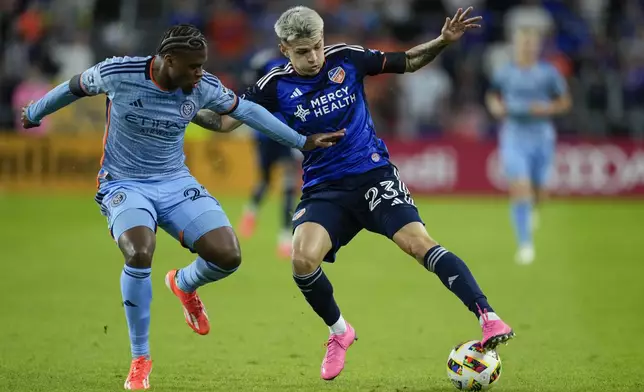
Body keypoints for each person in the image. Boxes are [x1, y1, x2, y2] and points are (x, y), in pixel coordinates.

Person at [21, 24, 343, 390]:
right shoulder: (119, 72)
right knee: (140, 252)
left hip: (175, 182)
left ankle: (184, 284)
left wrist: (302, 141)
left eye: (202, 66)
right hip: (124, 183)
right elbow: (73, 87)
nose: (200, 73)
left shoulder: (202, 86)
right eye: (193, 67)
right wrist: (35, 111)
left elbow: (250, 112)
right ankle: (140, 359)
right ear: (168, 61)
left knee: (228, 255)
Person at [210, 6, 515, 381]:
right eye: (303, 51)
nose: (314, 57)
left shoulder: (348, 59)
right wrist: (185, 105)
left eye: (318, 46)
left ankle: (488, 317)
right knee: (302, 259)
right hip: (325, 189)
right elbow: (225, 121)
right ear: (284, 49)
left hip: (373, 175)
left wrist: (442, 41)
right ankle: (340, 332)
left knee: (418, 243)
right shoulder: (273, 85)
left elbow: (407, 61)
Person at [485, 26, 571, 265]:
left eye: (531, 43)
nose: (527, 47)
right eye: (523, 43)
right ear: (516, 45)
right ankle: (525, 244)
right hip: (514, 135)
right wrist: (495, 107)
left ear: (537, 46)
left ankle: (533, 206)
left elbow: (564, 102)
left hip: (542, 136)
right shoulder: (505, 73)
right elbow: (492, 95)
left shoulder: (549, 73)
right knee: (520, 189)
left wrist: (547, 109)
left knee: (541, 193)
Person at [237, 47, 299, 258]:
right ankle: (250, 211)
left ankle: (284, 238)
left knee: (289, 185)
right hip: (264, 133)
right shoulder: (264, 62)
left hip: (287, 133)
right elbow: (249, 89)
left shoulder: (299, 63)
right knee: (265, 181)